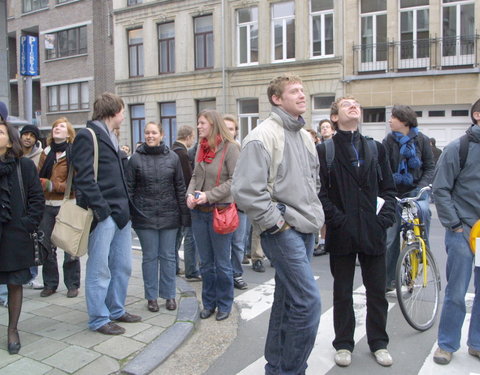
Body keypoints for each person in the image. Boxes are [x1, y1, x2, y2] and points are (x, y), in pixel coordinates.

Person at [232, 74, 324, 374]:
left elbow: (313, 181)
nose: (302, 95)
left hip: (305, 227)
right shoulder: (261, 136)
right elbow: (246, 191)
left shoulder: (305, 138)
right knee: (308, 303)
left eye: (303, 90)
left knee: (289, 301)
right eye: (294, 91)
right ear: (276, 98)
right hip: (283, 231)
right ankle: (291, 371)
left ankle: (276, 366)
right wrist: (277, 225)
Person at [317, 96, 396, 367]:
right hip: (342, 231)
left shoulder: (375, 148)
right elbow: (321, 193)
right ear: (335, 117)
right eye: (346, 104)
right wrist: (338, 219)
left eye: (357, 104)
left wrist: (384, 218)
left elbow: (388, 189)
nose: (354, 106)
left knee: (376, 291)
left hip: (372, 231)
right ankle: (343, 343)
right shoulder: (325, 150)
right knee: (342, 291)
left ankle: (378, 342)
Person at [72, 92, 141, 335]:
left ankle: (116, 309)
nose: (124, 115)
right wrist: (102, 211)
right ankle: (99, 319)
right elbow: (84, 179)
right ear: (113, 111)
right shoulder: (87, 135)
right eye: (122, 110)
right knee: (99, 269)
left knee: (122, 266)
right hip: (103, 215)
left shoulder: (111, 136)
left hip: (121, 214)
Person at [432, 98, 480, 365]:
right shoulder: (457, 148)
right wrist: (456, 225)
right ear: (477, 115)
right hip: (462, 231)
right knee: (457, 291)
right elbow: (441, 189)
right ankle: (447, 345)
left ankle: (477, 343)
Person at [127, 121, 189, 312]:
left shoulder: (172, 158)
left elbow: (180, 187)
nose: (150, 136)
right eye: (147, 133)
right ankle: (151, 297)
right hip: (145, 217)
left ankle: (169, 295)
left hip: (170, 215)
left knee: (169, 257)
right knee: (150, 257)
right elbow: (129, 188)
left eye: (154, 132)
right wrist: (131, 214)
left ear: (162, 135)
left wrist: (184, 216)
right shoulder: (135, 159)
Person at [186, 109, 240, 322]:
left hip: (221, 212)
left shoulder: (231, 148)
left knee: (222, 263)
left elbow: (234, 181)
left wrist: (208, 195)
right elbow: (194, 176)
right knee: (206, 264)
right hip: (199, 213)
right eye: (198, 123)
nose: (198, 126)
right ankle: (209, 303)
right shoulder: (201, 146)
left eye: (202, 123)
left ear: (213, 124)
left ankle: (225, 304)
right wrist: (190, 195)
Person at [0, 120, 45, 354]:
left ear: (10, 140)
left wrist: (27, 224)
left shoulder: (24, 166)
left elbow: (37, 199)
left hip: (14, 236)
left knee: (15, 283)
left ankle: (13, 329)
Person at [382, 105, 434, 292]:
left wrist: (422, 187)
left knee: (424, 211)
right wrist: (387, 189)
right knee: (390, 237)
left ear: (404, 121)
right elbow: (383, 166)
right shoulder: (388, 141)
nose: (390, 120)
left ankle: (422, 251)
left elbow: (429, 167)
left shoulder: (422, 140)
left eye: (393, 117)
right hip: (394, 193)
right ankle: (388, 280)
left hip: (415, 190)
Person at [37, 118, 80, 298]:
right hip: (47, 205)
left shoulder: (73, 153)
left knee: (70, 247)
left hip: (67, 204)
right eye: (55, 126)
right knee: (46, 246)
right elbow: (38, 179)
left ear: (69, 133)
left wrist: (54, 186)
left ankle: (72, 284)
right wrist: (45, 186)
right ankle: (50, 284)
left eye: (61, 126)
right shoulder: (46, 153)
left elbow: (77, 182)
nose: (57, 128)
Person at [172, 125, 201, 281]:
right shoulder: (182, 154)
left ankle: (176, 267)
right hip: (184, 202)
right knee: (188, 237)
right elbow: (188, 179)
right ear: (189, 136)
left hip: (175, 201)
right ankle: (191, 270)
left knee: (177, 237)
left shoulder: (172, 150)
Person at [224, 114, 249, 290]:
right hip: (222, 204)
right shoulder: (214, 151)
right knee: (223, 244)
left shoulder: (243, 150)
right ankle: (225, 274)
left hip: (240, 205)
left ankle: (236, 274)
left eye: (231, 129)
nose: (228, 132)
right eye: (225, 128)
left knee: (238, 243)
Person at [19, 124, 44, 290]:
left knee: (33, 239)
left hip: (32, 203)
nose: (28, 137)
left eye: (32, 135)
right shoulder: (13, 154)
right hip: (16, 203)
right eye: (25, 134)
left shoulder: (41, 156)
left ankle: (31, 275)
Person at [314, 119, 336, 257]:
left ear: (333, 130)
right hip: (321, 183)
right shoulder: (318, 147)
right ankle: (322, 242)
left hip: (332, 183)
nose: (325, 129)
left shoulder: (336, 145)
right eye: (323, 127)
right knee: (322, 215)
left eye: (327, 127)